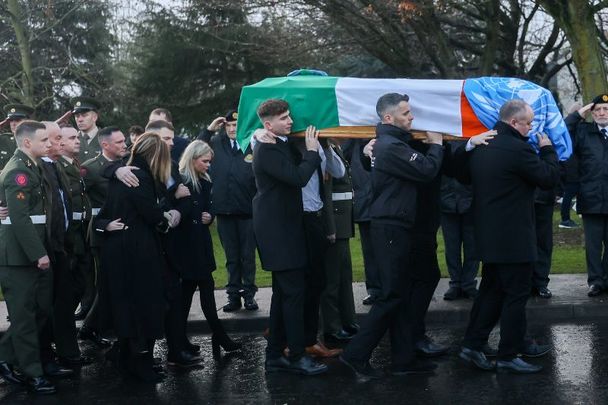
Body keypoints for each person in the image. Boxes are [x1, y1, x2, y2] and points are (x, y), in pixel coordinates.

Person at [340, 93, 444, 378]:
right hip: (389, 226)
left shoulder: (390, 143)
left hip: (397, 224)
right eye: (406, 113)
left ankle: (403, 358)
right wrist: (436, 145)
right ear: (388, 118)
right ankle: (355, 354)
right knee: (391, 295)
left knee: (403, 291)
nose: (412, 117)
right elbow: (427, 170)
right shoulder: (389, 146)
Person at [458, 99, 560, 374]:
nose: (531, 127)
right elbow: (548, 178)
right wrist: (548, 150)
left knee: (491, 292)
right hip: (514, 236)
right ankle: (508, 354)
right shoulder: (518, 149)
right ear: (514, 122)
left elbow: (462, 174)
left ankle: (472, 344)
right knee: (516, 295)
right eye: (528, 122)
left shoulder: (483, 144)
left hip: (489, 235)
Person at [252, 99, 327, 376]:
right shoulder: (267, 151)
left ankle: (274, 355)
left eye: (289, 116)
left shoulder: (277, 143)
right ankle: (297, 356)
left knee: (284, 295)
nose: (290, 121)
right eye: (284, 118)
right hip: (277, 234)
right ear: (268, 124)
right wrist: (311, 152)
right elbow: (298, 177)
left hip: (285, 230)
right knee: (293, 295)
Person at [95, 132, 171, 383]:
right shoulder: (138, 177)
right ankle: (139, 363)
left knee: (129, 304)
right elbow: (150, 213)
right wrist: (166, 219)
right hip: (135, 250)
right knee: (143, 305)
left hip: (123, 248)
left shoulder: (127, 174)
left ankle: (130, 358)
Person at [0, 120, 56, 394]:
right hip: (19, 257)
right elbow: (20, 218)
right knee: (24, 317)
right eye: (44, 140)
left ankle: (5, 358)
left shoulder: (32, 166)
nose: (49, 144)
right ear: (27, 143)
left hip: (28, 253)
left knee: (33, 312)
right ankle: (33, 373)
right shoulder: (18, 172)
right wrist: (39, 254)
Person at [173, 140, 241, 355]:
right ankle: (214, 337)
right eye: (205, 161)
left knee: (201, 293)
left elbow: (209, 207)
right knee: (190, 296)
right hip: (187, 248)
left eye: (210, 161)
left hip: (200, 244)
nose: (209, 165)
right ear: (193, 160)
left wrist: (209, 216)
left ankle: (201, 338)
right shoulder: (181, 182)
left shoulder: (204, 182)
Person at [198, 110, 259, 312]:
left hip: (248, 211)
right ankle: (233, 296)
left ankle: (249, 294)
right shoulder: (216, 143)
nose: (233, 129)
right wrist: (208, 130)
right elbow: (196, 149)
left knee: (248, 257)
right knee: (231, 257)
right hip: (224, 211)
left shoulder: (252, 143)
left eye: (236, 125)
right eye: (229, 126)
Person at [78, 127, 129, 346]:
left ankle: (104, 326)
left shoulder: (127, 165)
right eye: (118, 142)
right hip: (103, 233)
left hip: (126, 230)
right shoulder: (90, 169)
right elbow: (76, 198)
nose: (124, 145)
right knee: (107, 284)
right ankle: (92, 326)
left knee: (121, 282)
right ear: (105, 145)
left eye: (124, 140)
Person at [564, 96, 608, 296]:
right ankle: (596, 282)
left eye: (605, 109)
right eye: (597, 109)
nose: (601, 113)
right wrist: (578, 114)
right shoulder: (583, 131)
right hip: (591, 197)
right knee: (593, 245)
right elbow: (564, 131)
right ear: (591, 112)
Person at [320, 139, 358, 343]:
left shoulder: (335, 146)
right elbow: (326, 192)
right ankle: (332, 326)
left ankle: (348, 320)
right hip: (335, 221)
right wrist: (330, 226)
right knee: (332, 279)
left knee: (344, 276)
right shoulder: (326, 148)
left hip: (343, 221)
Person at [342, 139, 379, 305]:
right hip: (365, 203)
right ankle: (374, 289)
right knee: (370, 251)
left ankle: (388, 288)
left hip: (386, 204)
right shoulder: (354, 143)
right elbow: (343, 157)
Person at [440, 174, 479, 300]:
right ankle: (456, 283)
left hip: (471, 201)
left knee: (472, 247)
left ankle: (468, 284)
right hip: (447, 200)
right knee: (451, 247)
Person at [0, 103, 34, 170]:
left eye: (18, 120)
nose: (13, 124)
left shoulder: (35, 142)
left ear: (28, 121)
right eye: (11, 120)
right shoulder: (4, 140)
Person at [71, 97, 102, 162]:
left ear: (94, 117)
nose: (80, 120)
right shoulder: (70, 140)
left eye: (84, 115)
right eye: (77, 116)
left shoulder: (107, 138)